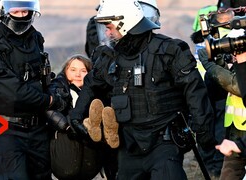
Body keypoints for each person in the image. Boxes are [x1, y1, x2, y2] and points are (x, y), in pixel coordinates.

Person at [70, 0, 216, 179]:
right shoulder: (109, 56)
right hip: (128, 145)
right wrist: (76, 116)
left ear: (125, 23)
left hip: (165, 142)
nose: (107, 32)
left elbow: (195, 91)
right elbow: (91, 85)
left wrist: (203, 132)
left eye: (109, 27)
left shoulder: (169, 50)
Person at [0, 0, 66, 179]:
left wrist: (56, 89)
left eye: (26, 10)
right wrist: (50, 101)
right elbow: (13, 93)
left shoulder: (36, 39)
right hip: (7, 131)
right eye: (17, 10)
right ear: (2, 11)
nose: (23, 15)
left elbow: (43, 78)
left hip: (38, 127)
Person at [47, 54, 109, 180]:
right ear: (65, 71)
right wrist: (68, 126)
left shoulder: (98, 93)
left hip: (89, 149)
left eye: (83, 71)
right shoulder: (56, 88)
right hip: (65, 143)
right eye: (73, 70)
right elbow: (50, 111)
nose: (78, 75)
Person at [198, 29, 246, 179]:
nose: (231, 55)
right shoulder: (237, 64)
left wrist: (211, 67)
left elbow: (237, 85)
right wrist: (218, 61)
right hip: (234, 132)